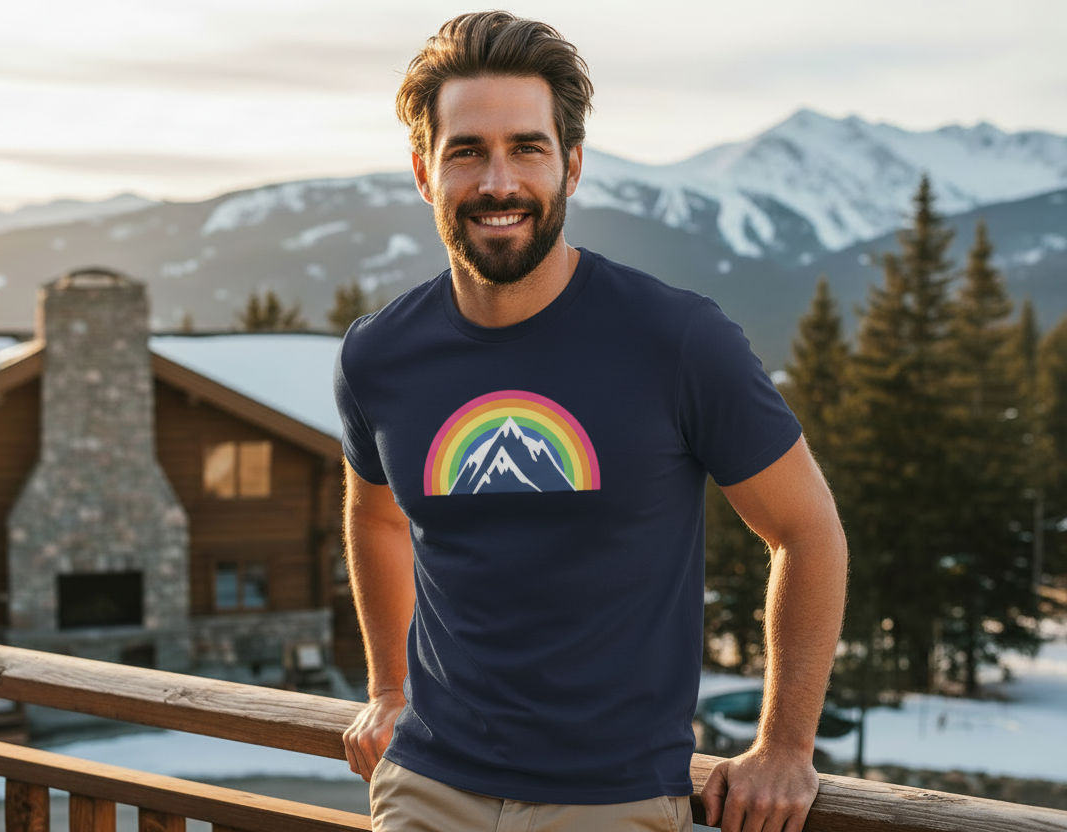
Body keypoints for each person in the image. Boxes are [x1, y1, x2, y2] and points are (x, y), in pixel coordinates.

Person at [333, 11, 847, 832]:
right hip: (425, 790)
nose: (498, 181)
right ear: (425, 172)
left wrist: (784, 748)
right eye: (467, 150)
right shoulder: (378, 355)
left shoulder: (677, 340)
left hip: (614, 801)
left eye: (526, 148)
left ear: (570, 165)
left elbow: (807, 530)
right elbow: (376, 513)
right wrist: (388, 690)